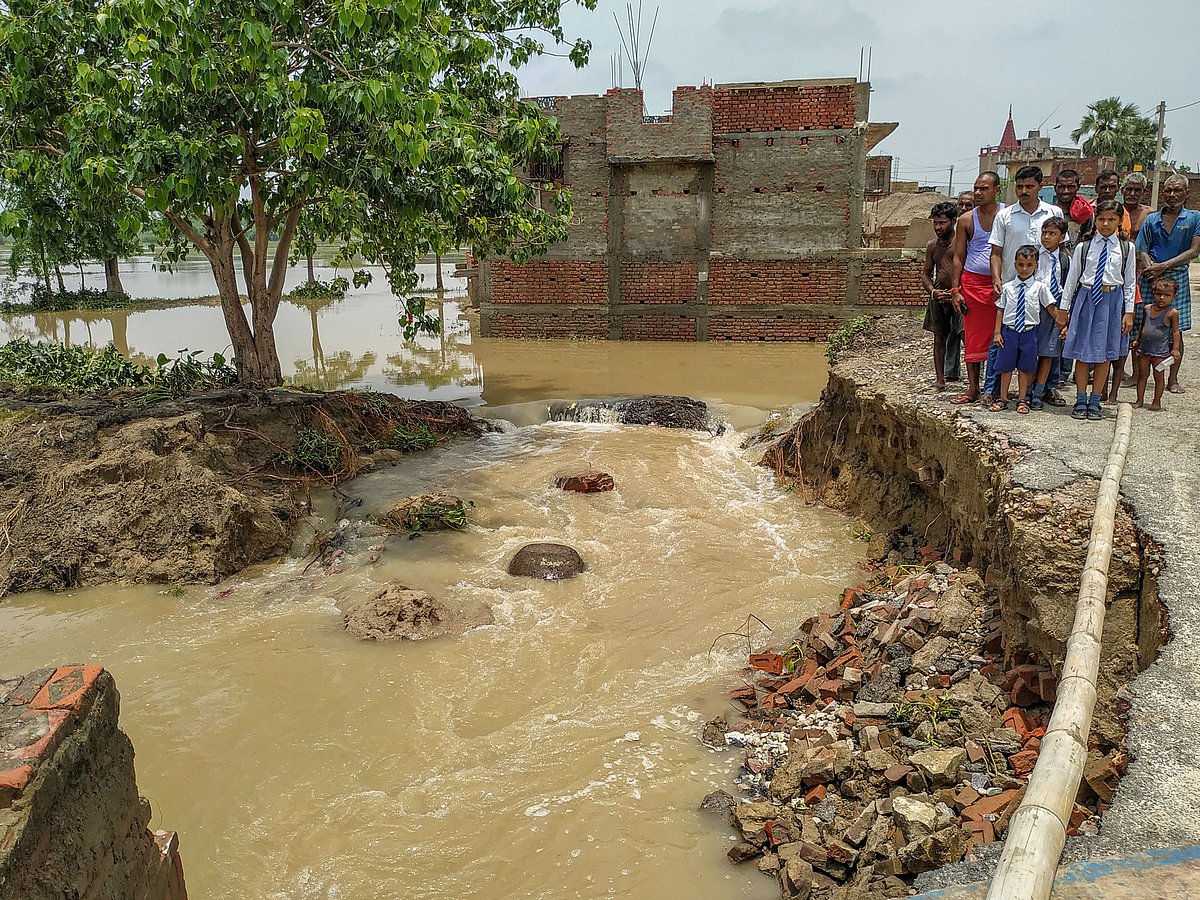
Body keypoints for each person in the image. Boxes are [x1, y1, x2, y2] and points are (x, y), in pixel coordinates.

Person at [988, 166, 1062, 400]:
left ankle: (1042, 390)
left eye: (1029, 186)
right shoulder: (1005, 216)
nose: (1024, 191)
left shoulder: (1053, 213)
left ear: (1040, 186)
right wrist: (996, 278)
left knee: (1044, 345)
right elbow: (996, 252)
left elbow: (1062, 250)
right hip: (1012, 289)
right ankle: (993, 390)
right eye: (1019, 186)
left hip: (1044, 289)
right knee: (1002, 343)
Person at [1060, 201, 1137, 420]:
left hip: (1112, 301)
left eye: (1111, 219)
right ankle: (1081, 399)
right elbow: (1072, 279)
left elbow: (1130, 282)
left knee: (1104, 354)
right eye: (1102, 219)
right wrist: (1064, 309)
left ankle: (1095, 401)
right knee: (1083, 353)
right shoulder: (1084, 247)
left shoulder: (1126, 248)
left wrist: (1128, 312)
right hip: (1086, 300)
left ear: (1119, 221)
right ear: (1095, 220)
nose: (1106, 224)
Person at [1136, 173, 1200, 393]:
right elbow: (1141, 248)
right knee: (1143, 324)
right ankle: (1138, 375)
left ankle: (1172, 379)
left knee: (1176, 329)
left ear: (1186, 193)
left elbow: (1194, 250)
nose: (1172, 195)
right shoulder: (1152, 219)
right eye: (1168, 190)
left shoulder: (1194, 218)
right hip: (1150, 277)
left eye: (1177, 191)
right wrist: (1149, 267)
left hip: (1177, 276)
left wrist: (1164, 266)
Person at [949, 172, 1004, 405]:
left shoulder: (1007, 214)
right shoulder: (966, 220)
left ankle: (995, 388)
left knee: (999, 337)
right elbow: (958, 256)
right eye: (976, 188)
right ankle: (973, 388)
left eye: (984, 189)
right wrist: (955, 289)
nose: (979, 193)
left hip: (999, 284)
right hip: (972, 283)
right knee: (972, 337)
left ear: (996, 190)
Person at [991, 245, 1059, 414]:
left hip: (1029, 333)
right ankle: (1003, 398)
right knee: (1006, 367)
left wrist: (1064, 323)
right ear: (1015, 265)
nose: (1024, 269)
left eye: (1029, 265)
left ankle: (1023, 399)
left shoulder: (1040, 288)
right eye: (1020, 264)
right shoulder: (1008, 288)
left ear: (1035, 265)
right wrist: (997, 332)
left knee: (1025, 368)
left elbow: (1050, 307)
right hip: (1010, 332)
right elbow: (1000, 309)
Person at [1029, 216, 1071, 409]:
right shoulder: (1033, 256)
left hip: (1054, 311)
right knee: (1030, 351)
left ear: (1061, 237)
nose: (1046, 237)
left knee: (1048, 352)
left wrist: (1064, 314)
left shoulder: (1065, 260)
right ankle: (1027, 391)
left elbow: (1068, 287)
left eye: (1052, 234)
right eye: (1044, 233)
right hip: (1033, 309)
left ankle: (1040, 391)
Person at [922, 201, 962, 390]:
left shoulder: (961, 242)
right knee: (939, 338)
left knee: (966, 337)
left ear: (953, 221)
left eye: (942, 223)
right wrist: (933, 292)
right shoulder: (932, 245)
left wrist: (958, 291)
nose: (938, 227)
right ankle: (940, 380)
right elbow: (926, 274)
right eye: (935, 223)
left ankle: (974, 383)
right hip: (939, 298)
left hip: (959, 296)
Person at [1131, 276, 1183, 410]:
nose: (1162, 298)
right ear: (1153, 293)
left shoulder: (1172, 313)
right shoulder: (1147, 309)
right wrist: (1137, 340)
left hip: (1160, 352)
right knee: (1142, 375)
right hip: (1144, 350)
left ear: (1174, 296)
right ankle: (1139, 400)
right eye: (1158, 294)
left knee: (1158, 377)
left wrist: (1175, 348)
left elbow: (1176, 332)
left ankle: (1156, 402)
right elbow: (1142, 326)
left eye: (1167, 295)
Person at [1053, 168, 1094, 240]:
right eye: (1061, 187)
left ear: (1078, 187)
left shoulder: (1085, 212)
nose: (1066, 191)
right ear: (1055, 188)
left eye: (1071, 187)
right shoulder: (1048, 212)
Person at [1122, 172, 1154, 238]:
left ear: (1144, 192)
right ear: (1122, 190)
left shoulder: (1149, 214)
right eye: (1129, 189)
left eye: (1137, 190)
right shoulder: (1114, 211)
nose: (1132, 193)